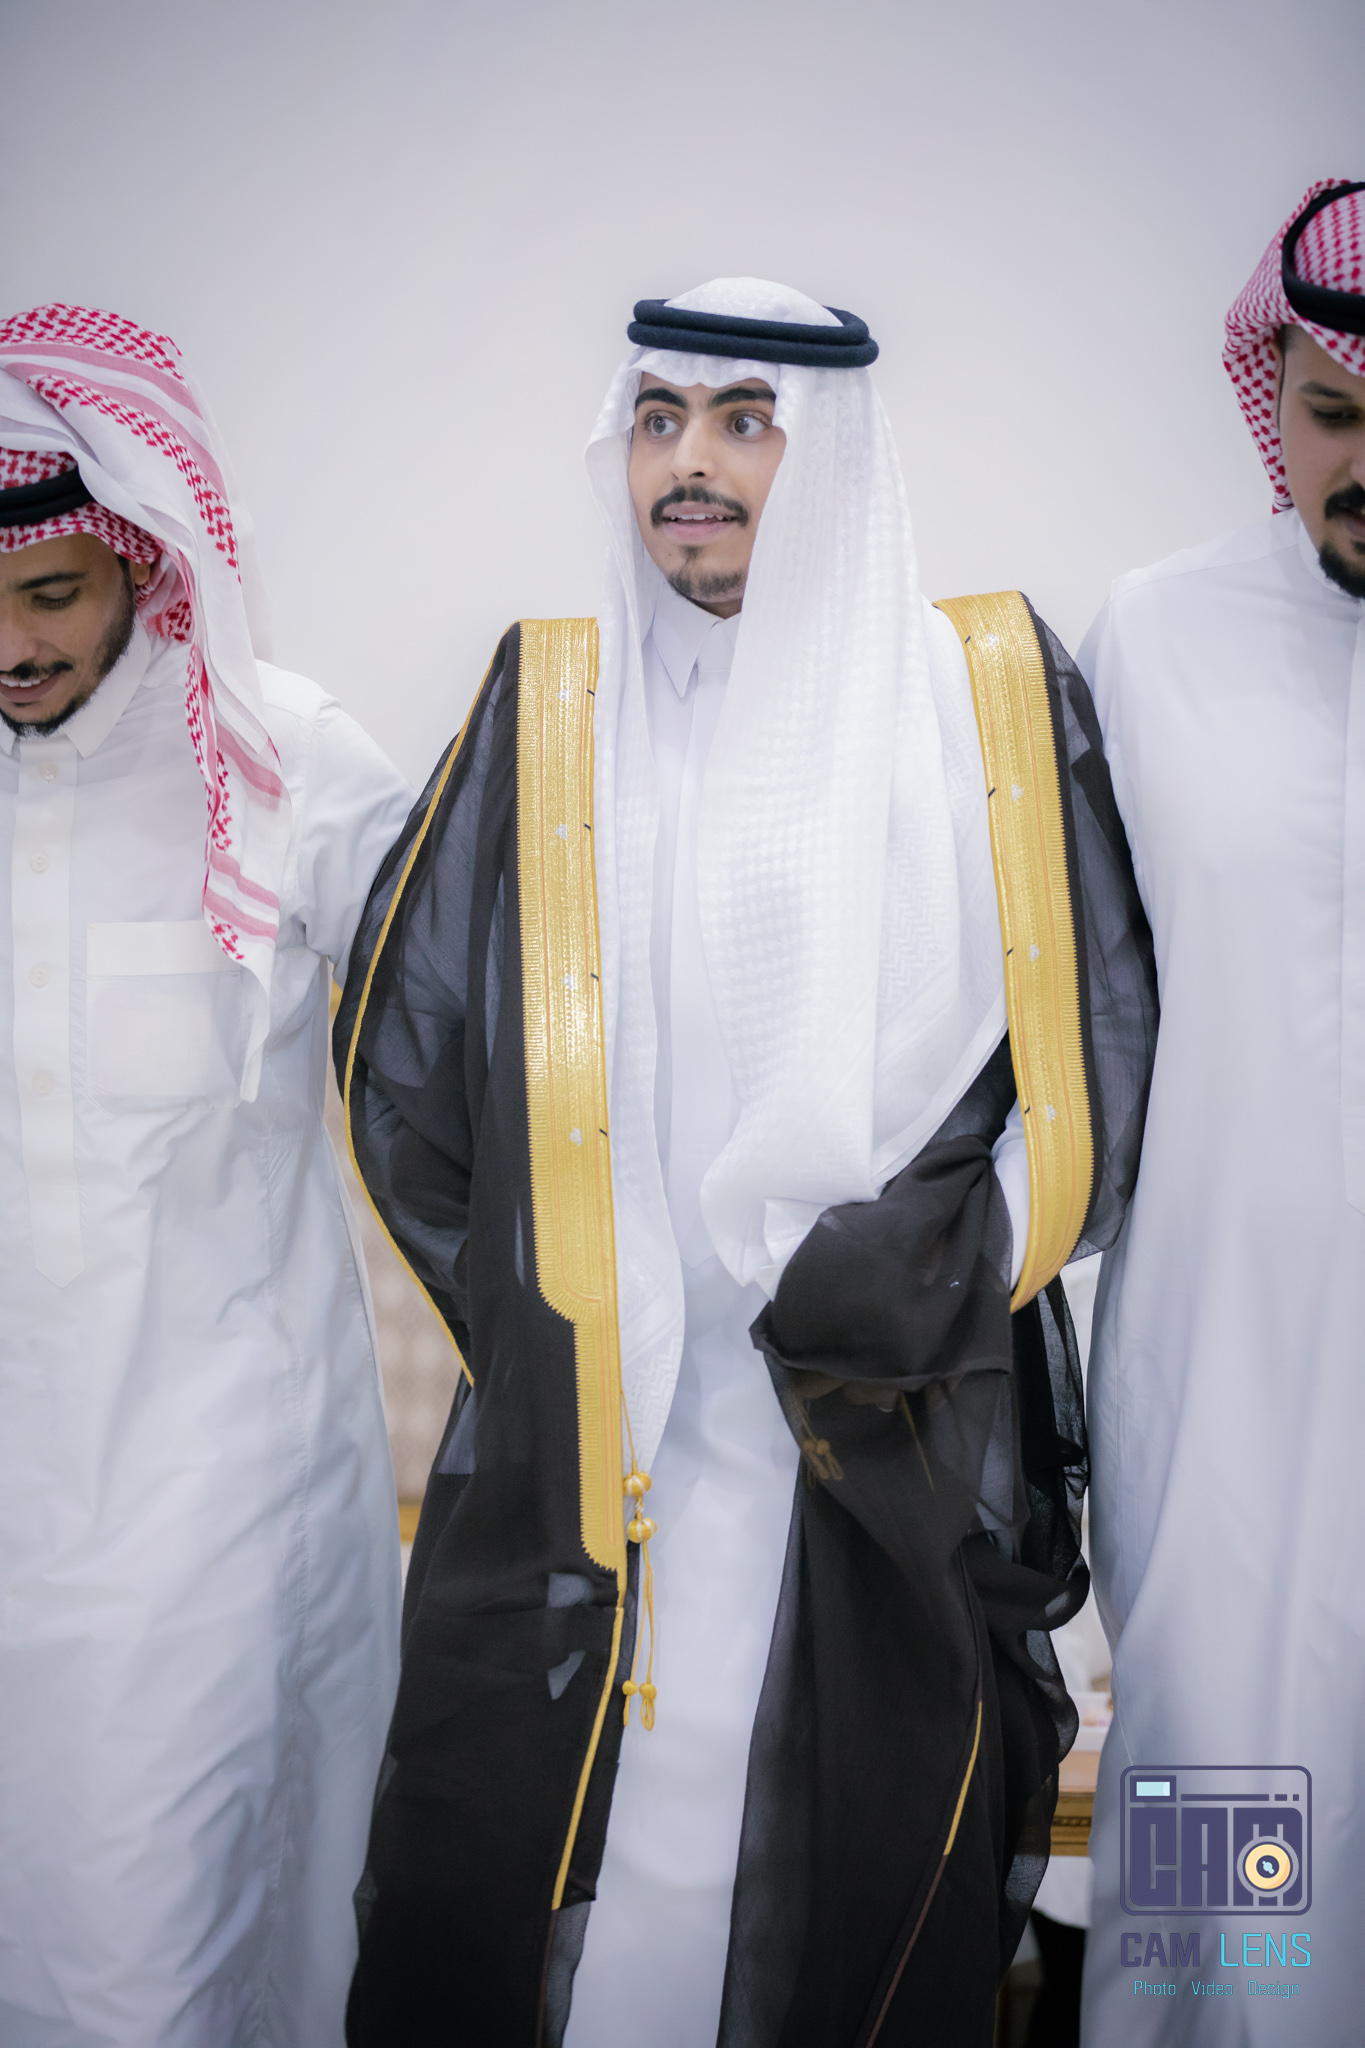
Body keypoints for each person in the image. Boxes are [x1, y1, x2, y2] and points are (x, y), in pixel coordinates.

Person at [337, 279, 1158, 2048]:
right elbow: (412, 1069)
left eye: (742, 420)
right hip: (601, 1441)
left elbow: (1088, 1065)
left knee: (836, 1896)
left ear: (834, 452)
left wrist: (908, 1288)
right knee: (581, 1894)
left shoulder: (977, 701)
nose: (686, 464)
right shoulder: (557, 704)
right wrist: (560, 1314)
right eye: (656, 419)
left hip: (880, 1434)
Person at [0, 305, 413, 2047]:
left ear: (143, 558)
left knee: (151, 1970)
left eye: (47, 594)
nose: (11, 645)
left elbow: (469, 1064)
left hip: (203, 1509)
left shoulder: (284, 761)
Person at [1079, 180, 1365, 2043]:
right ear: (1270, 396)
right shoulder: (1156, 636)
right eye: (1332, 413)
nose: (1363, 462)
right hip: (1215, 1393)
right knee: (1222, 1848)